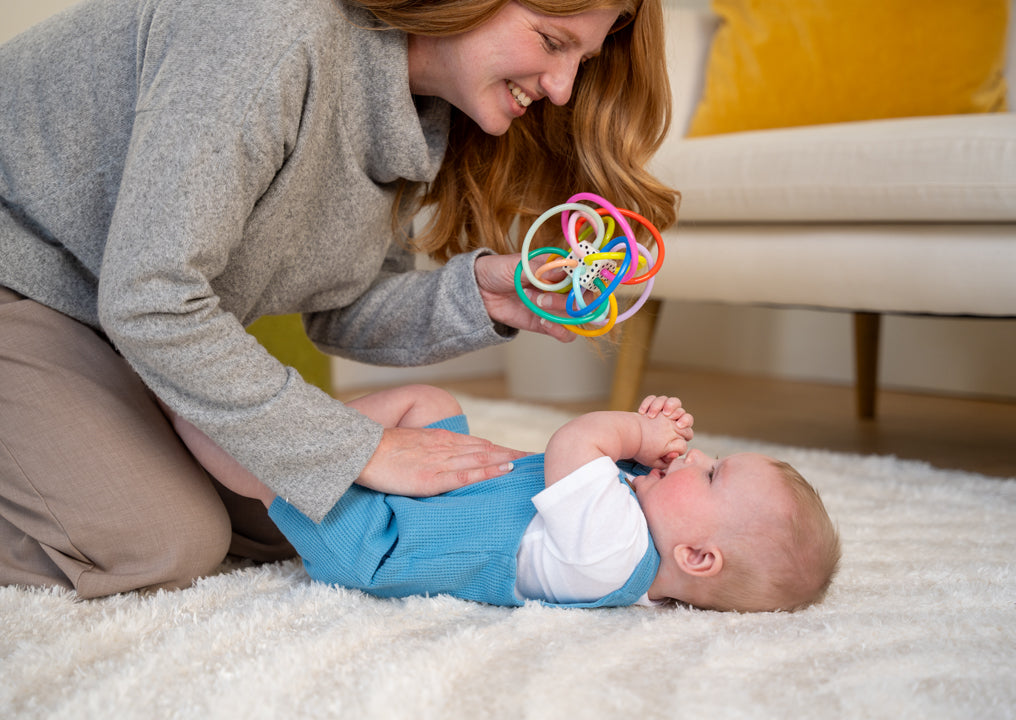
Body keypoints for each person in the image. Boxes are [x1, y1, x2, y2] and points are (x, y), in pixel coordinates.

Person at [0, 0, 679, 598]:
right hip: (25, 280)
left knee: (301, 511)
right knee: (162, 542)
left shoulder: (420, 115)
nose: (562, 89)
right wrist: (352, 448)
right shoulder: (270, 31)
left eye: (581, 60)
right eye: (552, 41)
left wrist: (484, 298)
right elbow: (153, 297)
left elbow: (341, 307)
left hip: (112, 321)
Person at [165, 385, 842, 612]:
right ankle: (295, 417)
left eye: (712, 476)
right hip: (438, 497)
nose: (695, 457)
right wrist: (648, 451)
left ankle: (194, 416)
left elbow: (573, 445)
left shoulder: (611, 554)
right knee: (430, 403)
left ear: (696, 556)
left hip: (388, 537)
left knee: (293, 466)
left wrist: (635, 430)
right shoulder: (634, 533)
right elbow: (604, 477)